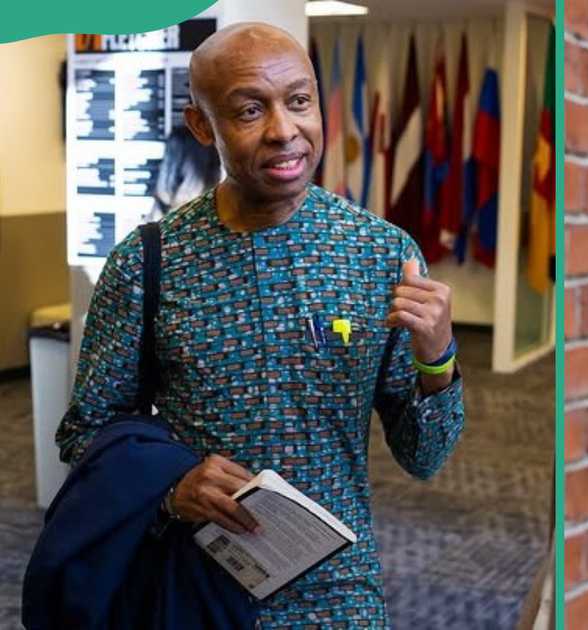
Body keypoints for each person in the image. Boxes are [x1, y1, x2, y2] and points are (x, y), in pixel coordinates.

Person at [56, 22, 465, 628]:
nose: (283, 130)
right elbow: (83, 432)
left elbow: (425, 457)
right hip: (194, 584)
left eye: (299, 101)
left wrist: (436, 359)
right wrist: (171, 488)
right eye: (250, 110)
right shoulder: (150, 261)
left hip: (337, 593)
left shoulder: (381, 253)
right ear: (202, 126)